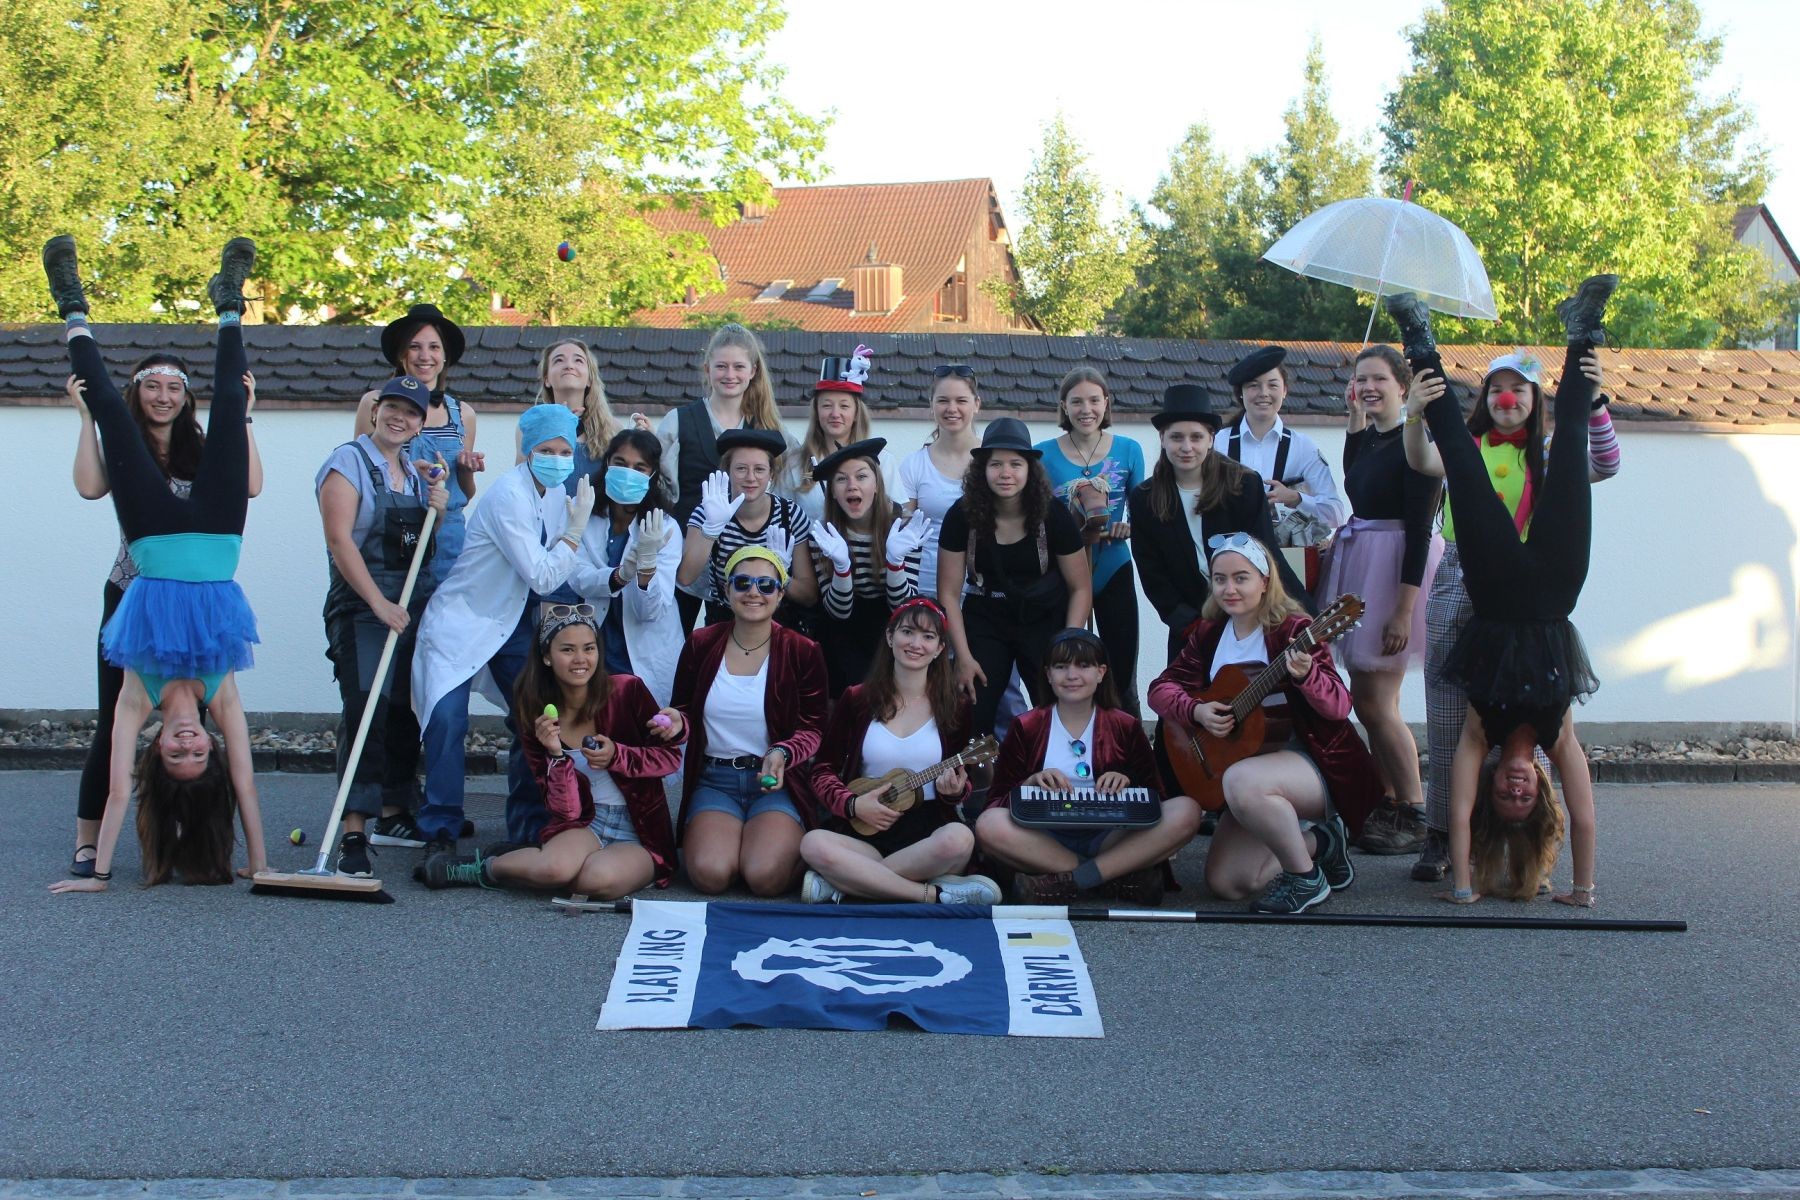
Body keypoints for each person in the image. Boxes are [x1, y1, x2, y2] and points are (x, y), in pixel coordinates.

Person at [44, 234, 269, 893]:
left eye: (176, 751)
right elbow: (247, 784)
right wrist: (261, 863)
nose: (186, 742)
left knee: (107, 410)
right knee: (232, 398)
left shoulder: (139, 693)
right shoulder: (220, 693)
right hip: (215, 549)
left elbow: (123, 789)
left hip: (151, 560)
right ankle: (229, 303)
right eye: (197, 751)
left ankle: (72, 305)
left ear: (159, 749)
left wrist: (98, 875)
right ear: (209, 746)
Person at [1384, 278, 1615, 908]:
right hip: (1555, 588)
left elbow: (1461, 813)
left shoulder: (1480, 733)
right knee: (1571, 442)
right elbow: (1584, 816)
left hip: (1491, 585)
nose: (1515, 786)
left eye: (1504, 796)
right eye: (1526, 795)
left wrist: (1464, 887)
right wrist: (1583, 889)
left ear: (1493, 792)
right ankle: (1584, 330)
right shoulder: (1556, 735)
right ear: (1540, 789)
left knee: (1462, 462)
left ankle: (1418, 339)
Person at [67, 351, 263, 878]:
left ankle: (189, 830)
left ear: (186, 397)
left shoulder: (200, 449)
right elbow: (89, 487)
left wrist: (244, 418)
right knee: (113, 719)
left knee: (193, 720)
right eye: (152, 386)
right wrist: (87, 419)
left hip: (195, 605)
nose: (163, 397)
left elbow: (249, 486)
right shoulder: (126, 443)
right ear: (137, 393)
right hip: (133, 598)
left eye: (173, 388)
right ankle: (88, 842)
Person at [1147, 534, 1384, 914]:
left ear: (1265, 581)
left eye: (1241, 578)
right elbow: (1160, 689)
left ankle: (1305, 879)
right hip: (1247, 771)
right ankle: (1323, 843)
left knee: (1240, 780)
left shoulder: (1294, 631)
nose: (1229, 589)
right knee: (1229, 883)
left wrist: (1308, 676)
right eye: (1220, 579)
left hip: (1311, 764)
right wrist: (1196, 711)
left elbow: (1340, 706)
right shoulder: (1209, 633)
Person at [410, 404, 604, 858]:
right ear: (527, 450)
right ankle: (440, 830)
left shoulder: (553, 493)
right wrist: (574, 533)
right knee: (447, 721)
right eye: (546, 450)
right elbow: (543, 575)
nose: (557, 459)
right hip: (462, 621)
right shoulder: (508, 496)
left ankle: (528, 826)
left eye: (565, 451)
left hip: (510, 621)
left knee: (535, 717)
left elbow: (559, 567)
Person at [420, 607, 685, 896]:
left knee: (594, 880)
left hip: (639, 832)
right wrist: (556, 757)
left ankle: (529, 863)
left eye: (589, 648)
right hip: (586, 823)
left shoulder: (626, 690)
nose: (581, 659)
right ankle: (483, 869)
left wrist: (618, 756)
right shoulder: (536, 710)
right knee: (555, 869)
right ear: (546, 656)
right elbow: (565, 811)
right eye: (568, 650)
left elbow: (670, 756)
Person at [316, 375, 450, 876]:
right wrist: (378, 604)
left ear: (420, 423)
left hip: (408, 606)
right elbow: (339, 540)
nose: (400, 417)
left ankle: (393, 813)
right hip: (361, 609)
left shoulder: (414, 474)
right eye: (392, 407)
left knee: (401, 712)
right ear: (375, 411)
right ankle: (353, 833)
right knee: (365, 710)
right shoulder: (347, 462)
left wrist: (437, 510)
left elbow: (419, 549)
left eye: (411, 412)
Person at [1316, 345, 1443, 856]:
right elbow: (1356, 479)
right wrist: (1353, 416)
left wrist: (1403, 611)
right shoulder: (1368, 437)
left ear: (1403, 387)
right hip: (1361, 565)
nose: (1368, 387)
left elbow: (1419, 531)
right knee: (1369, 699)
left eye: (1379, 379)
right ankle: (1389, 798)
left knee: (1374, 701)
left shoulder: (1417, 444)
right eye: (1361, 379)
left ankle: (1416, 809)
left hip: (1394, 574)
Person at [797, 598, 1000, 905]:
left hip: (927, 833)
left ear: (940, 649)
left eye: (928, 637)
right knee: (813, 843)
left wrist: (955, 791)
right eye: (907, 632)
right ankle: (930, 894)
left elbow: (963, 779)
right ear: (890, 637)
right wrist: (852, 804)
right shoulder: (857, 699)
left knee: (960, 839)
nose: (916, 644)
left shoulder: (954, 706)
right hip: (865, 825)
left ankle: (846, 882)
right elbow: (823, 768)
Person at [975, 629, 1199, 904]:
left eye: (1083, 665)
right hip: (1044, 836)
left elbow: (1156, 797)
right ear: (1048, 674)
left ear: (1101, 672)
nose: (1072, 675)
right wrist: (1030, 783)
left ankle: (1069, 882)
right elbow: (995, 800)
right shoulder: (1026, 725)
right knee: (988, 825)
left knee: (1186, 810)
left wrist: (1127, 781)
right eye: (1061, 666)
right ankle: (1112, 878)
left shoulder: (1125, 724)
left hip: (1110, 834)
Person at [671, 547, 829, 896]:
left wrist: (784, 752)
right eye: (742, 583)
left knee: (764, 878)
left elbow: (814, 727)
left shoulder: (802, 650)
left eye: (766, 585)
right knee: (710, 875)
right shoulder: (701, 643)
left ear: (781, 593)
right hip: (715, 779)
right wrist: (675, 723)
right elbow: (683, 710)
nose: (753, 592)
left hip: (776, 781)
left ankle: (794, 855)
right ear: (727, 590)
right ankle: (739, 844)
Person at [937, 418, 1093, 744]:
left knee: (1054, 706)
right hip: (986, 614)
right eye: (996, 464)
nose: (1005, 473)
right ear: (982, 469)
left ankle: (1060, 770)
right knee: (972, 705)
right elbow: (948, 593)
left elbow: (1080, 587)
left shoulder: (1053, 514)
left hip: (1043, 615)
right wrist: (962, 657)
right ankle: (975, 775)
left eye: (1015, 464)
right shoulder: (961, 515)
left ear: (1029, 470)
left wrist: (1067, 645)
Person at [1129, 384, 1309, 666]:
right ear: (1162, 438)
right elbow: (1153, 574)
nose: (1186, 447)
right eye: (1176, 437)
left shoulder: (1243, 485)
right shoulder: (1144, 498)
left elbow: (1267, 554)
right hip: (1190, 626)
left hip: (1250, 619)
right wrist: (1190, 624)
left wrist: (1306, 612)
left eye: (1196, 437)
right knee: (1182, 693)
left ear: (1211, 439)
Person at [654, 324, 797, 630]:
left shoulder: (768, 427)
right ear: (707, 369)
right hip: (687, 554)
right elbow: (659, 486)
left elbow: (796, 477)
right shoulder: (678, 421)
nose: (729, 374)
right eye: (721, 366)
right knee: (674, 641)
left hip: (743, 564)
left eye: (738, 367)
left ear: (753, 371)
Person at [1035, 367, 1147, 715]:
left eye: (1094, 400)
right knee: (1061, 662)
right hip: (1063, 572)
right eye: (1077, 402)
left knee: (1120, 670)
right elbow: (1036, 518)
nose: (1086, 409)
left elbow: (1142, 512)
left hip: (1113, 565)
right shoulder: (1041, 455)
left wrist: (1126, 526)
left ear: (1106, 403)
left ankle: (1124, 736)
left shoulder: (1129, 449)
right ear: (1064, 407)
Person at [354, 304, 481, 587]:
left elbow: (465, 494)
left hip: (447, 538)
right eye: (415, 346)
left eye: (434, 347)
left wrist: (466, 470)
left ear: (445, 356)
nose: (425, 356)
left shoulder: (464, 414)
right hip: (390, 533)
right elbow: (359, 475)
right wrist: (407, 468)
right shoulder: (374, 404)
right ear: (401, 354)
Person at [807, 438, 931, 697]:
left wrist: (895, 562)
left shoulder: (905, 529)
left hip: (890, 625)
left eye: (861, 476)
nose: (852, 485)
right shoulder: (823, 534)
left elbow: (902, 608)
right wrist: (842, 568)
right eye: (841, 479)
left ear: (876, 485)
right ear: (832, 491)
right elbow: (838, 612)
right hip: (841, 627)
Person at [577, 429, 684, 707]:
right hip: (597, 645)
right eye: (621, 463)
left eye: (639, 468)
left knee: (644, 726)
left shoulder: (666, 528)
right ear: (607, 463)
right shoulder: (586, 515)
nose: (628, 473)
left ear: (652, 475)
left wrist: (645, 570)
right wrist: (619, 576)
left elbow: (650, 612)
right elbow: (577, 577)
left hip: (645, 651)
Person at [1217, 346, 1347, 571]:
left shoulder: (1303, 447)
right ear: (1240, 393)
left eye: (1272, 385)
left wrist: (1295, 498)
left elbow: (1335, 514)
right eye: (1253, 385)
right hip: (1229, 560)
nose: (1263, 393)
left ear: (1285, 390)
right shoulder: (1218, 443)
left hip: (1286, 564)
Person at [677, 428, 819, 625]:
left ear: (771, 474)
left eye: (759, 469)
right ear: (728, 471)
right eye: (741, 468)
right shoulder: (708, 511)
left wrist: (782, 575)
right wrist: (710, 532)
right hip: (724, 622)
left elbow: (809, 595)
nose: (750, 477)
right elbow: (685, 578)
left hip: (778, 623)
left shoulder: (791, 515)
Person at [777, 347, 905, 520]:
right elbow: (781, 519)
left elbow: (896, 517)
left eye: (844, 406)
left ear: (856, 413)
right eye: (827, 405)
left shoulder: (884, 461)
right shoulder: (794, 464)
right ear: (816, 412)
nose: (835, 413)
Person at [897, 365, 982, 601]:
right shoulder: (913, 465)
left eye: (961, 400)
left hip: (982, 592)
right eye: (943, 400)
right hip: (925, 587)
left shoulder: (993, 461)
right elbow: (902, 530)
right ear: (932, 405)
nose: (952, 409)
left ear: (976, 404)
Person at [518, 338, 619, 483]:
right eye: (559, 360)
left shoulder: (613, 427)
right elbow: (521, 481)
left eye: (578, 360)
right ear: (546, 380)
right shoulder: (531, 425)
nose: (569, 366)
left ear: (589, 379)